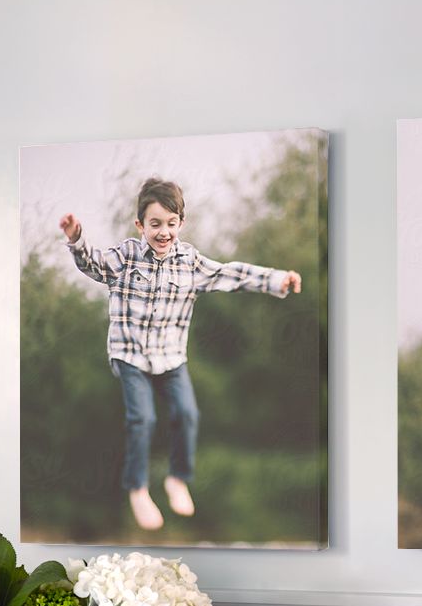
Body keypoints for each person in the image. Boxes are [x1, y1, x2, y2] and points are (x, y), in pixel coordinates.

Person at [59, 177, 302, 531]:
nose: (163, 233)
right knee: (143, 419)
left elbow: (230, 273)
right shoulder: (126, 256)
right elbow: (93, 264)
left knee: (187, 413)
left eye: (171, 224)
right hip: (130, 355)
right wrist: (76, 239)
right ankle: (138, 488)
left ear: (181, 224)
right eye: (155, 224)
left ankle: (177, 479)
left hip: (171, 357)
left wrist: (275, 279)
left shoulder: (189, 262)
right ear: (140, 225)